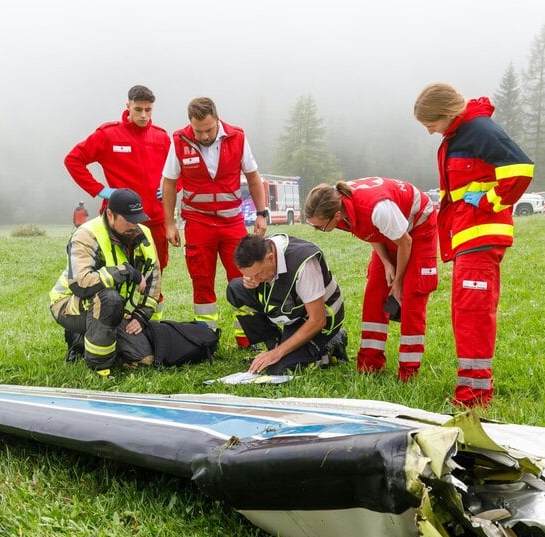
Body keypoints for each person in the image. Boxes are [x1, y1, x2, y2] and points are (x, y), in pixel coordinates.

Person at [414, 82, 534, 409]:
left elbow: (521, 169)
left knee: (473, 314)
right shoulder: (460, 133)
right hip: (468, 237)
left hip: (481, 235)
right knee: (464, 312)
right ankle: (471, 390)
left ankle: (475, 397)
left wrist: (490, 200)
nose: (430, 132)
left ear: (447, 114)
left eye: (431, 125)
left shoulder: (479, 130)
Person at [303, 177, 438, 382]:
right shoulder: (338, 203)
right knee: (374, 295)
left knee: (410, 298)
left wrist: (398, 282)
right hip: (391, 231)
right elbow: (368, 231)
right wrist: (386, 262)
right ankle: (369, 365)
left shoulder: (377, 209)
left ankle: (408, 373)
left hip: (417, 228)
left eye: (320, 227)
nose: (319, 231)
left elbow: (405, 242)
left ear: (337, 215)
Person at [161, 97, 268, 346]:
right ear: (190, 124)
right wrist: (169, 223)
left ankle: (248, 337)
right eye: (198, 131)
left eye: (209, 129)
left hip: (232, 224)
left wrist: (261, 213)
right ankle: (205, 339)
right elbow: (169, 182)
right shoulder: (179, 140)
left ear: (217, 120)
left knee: (244, 278)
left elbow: (253, 177)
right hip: (198, 224)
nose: (204, 135)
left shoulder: (238, 137)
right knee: (201, 279)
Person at [49, 188, 161, 376]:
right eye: (128, 220)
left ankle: (89, 338)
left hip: (114, 308)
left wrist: (141, 315)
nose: (134, 225)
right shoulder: (86, 234)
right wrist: (124, 272)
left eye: (137, 219)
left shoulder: (144, 234)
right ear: (110, 214)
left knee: (144, 358)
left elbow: (154, 281)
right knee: (109, 299)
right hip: (69, 304)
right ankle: (99, 366)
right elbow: (81, 283)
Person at [64, 85, 171, 275]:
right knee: (118, 270)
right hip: (120, 219)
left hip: (154, 218)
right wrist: (100, 190)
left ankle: (152, 305)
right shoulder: (108, 135)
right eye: (138, 109)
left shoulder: (161, 137)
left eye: (148, 110)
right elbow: (73, 160)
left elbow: (178, 170)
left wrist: (172, 187)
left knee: (155, 271)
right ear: (128, 106)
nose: (144, 115)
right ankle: (114, 304)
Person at [226, 234, 347, 375]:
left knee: (280, 370)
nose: (256, 281)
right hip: (294, 312)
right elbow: (258, 279)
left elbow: (318, 320)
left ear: (270, 257)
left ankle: (332, 343)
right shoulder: (264, 250)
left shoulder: (304, 264)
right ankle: (274, 345)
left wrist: (278, 353)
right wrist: (249, 281)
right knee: (236, 289)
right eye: (249, 276)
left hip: (320, 320)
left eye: (258, 274)